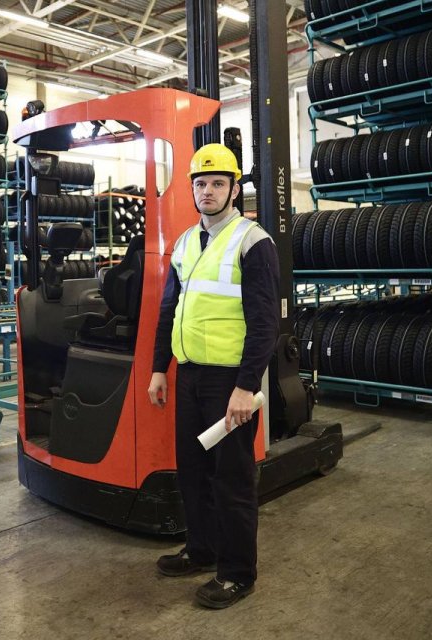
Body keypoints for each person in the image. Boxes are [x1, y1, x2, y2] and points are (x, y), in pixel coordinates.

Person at [147, 143, 279, 609]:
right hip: (189, 376)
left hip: (229, 383)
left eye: (218, 183)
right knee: (193, 471)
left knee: (232, 478)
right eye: (200, 183)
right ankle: (201, 550)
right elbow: (170, 310)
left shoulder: (252, 241)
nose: (208, 191)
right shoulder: (186, 242)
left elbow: (265, 323)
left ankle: (237, 573)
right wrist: (159, 368)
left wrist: (247, 386)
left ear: (234, 189)